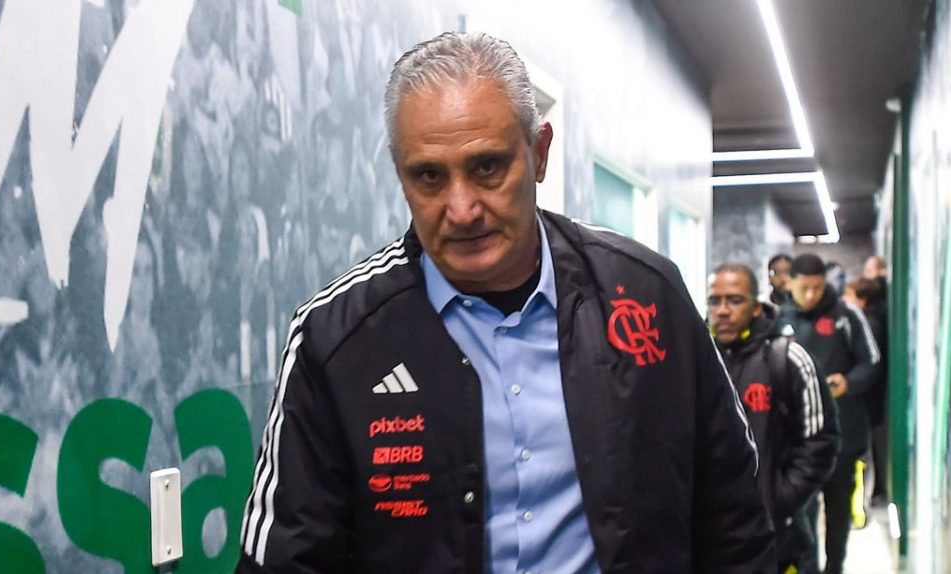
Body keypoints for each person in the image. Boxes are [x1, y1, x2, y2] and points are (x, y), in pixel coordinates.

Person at [235, 31, 774, 573]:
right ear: (401, 177)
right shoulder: (338, 340)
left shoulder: (646, 294)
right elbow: (287, 559)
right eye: (429, 177)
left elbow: (734, 518)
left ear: (538, 154)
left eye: (488, 167)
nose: (462, 208)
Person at [709, 263, 839, 574]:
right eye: (715, 301)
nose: (723, 310)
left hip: (780, 537)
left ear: (756, 307)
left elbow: (820, 439)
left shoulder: (787, 359)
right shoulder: (698, 361)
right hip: (715, 539)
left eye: (735, 300)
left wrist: (780, 499)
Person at [780, 254, 882, 574]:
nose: (811, 294)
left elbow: (873, 361)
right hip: (796, 439)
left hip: (843, 434)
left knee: (838, 512)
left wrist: (849, 383)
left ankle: (835, 567)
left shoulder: (846, 314)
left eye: (817, 287)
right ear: (790, 283)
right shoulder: (778, 317)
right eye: (804, 288)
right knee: (802, 516)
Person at [844, 274, 889, 506]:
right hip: (876, 397)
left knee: (869, 451)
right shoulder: (876, 318)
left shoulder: (869, 324)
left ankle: (870, 495)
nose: (845, 300)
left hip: (871, 398)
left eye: (849, 295)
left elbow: (872, 363)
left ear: (861, 299)